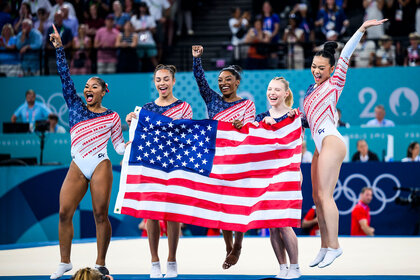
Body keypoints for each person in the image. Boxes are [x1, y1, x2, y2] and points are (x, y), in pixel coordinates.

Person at [298, 18, 387, 268]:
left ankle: (335, 246)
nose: (316, 71)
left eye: (321, 68)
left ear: (331, 68)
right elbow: (305, 118)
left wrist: (361, 29)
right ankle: (324, 245)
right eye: (314, 66)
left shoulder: (335, 83)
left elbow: (346, 53)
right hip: (318, 144)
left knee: (326, 196)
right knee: (317, 198)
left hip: (331, 141)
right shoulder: (309, 91)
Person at [49, 24, 126, 279]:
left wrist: (135, 137)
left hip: (100, 163)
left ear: (104, 91)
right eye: (86, 86)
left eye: (94, 86)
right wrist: (60, 48)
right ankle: (64, 262)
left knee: (100, 214)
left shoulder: (113, 116)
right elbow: (65, 77)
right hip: (78, 163)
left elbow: (118, 148)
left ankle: (101, 263)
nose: (87, 89)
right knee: (63, 212)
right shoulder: (75, 107)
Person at [192, 45, 256, 270]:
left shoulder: (247, 104)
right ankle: (228, 245)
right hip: (217, 160)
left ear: (237, 82)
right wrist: (197, 59)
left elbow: (252, 130)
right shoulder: (213, 101)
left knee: (237, 206)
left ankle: (238, 246)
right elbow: (200, 81)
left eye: (228, 79)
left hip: (239, 162)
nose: (223, 83)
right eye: (220, 80)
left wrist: (243, 126)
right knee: (221, 207)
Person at [126, 64, 192, 278]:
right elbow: (140, 135)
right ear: (154, 82)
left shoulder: (184, 107)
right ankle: (154, 261)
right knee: (151, 214)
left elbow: (187, 135)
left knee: (173, 214)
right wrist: (132, 122)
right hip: (151, 165)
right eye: (158, 80)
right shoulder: (146, 109)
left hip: (174, 165)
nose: (162, 83)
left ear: (173, 81)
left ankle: (171, 260)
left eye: (166, 79)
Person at [254, 77, 301, 279]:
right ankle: (282, 267)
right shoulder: (261, 117)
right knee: (272, 224)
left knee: (284, 222)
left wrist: (289, 120)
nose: (272, 93)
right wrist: (262, 127)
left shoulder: (294, 116)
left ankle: (295, 267)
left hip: (288, 174)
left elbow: (299, 140)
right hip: (268, 175)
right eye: (269, 89)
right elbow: (253, 145)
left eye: (277, 90)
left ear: (285, 93)